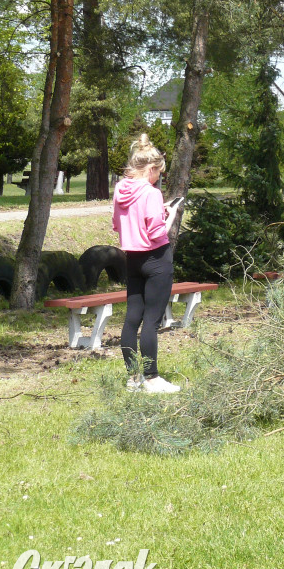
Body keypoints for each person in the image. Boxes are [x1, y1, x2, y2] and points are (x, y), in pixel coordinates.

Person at [112, 134, 182, 393]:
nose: (158, 178)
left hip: (132, 260)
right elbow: (156, 233)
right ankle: (152, 378)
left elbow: (118, 224)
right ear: (151, 169)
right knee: (151, 321)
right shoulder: (152, 193)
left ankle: (133, 378)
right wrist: (170, 215)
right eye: (158, 173)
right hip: (156, 259)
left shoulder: (120, 190)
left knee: (132, 320)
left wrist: (153, 212)